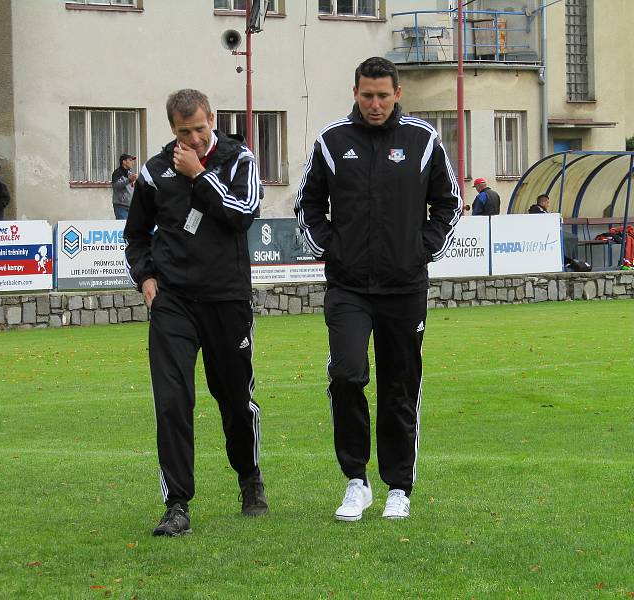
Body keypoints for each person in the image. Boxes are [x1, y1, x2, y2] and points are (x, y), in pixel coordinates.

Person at [295, 57, 461, 521]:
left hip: (405, 287)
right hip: (348, 286)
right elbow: (306, 204)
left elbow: (450, 204)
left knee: (399, 386)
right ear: (355, 93)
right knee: (347, 374)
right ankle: (356, 481)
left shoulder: (422, 141)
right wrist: (331, 248)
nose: (375, 104)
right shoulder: (332, 142)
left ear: (397, 94)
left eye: (383, 96)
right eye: (367, 95)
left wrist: (420, 249)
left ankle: (398, 487)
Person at [124, 88, 266, 537]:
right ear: (173, 129)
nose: (195, 138)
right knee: (171, 400)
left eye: (201, 129)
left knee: (234, 399)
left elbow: (244, 213)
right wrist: (145, 276)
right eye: (185, 132)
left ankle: (249, 477)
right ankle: (177, 505)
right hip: (174, 303)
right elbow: (136, 235)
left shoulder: (239, 159)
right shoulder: (153, 171)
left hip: (226, 298)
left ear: (213, 120)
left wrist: (200, 174)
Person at [111, 153, 138, 220]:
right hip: (121, 206)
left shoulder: (130, 173)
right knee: (122, 227)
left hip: (131, 206)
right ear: (124, 162)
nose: (133, 163)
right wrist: (129, 180)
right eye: (130, 160)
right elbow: (116, 186)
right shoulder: (117, 173)